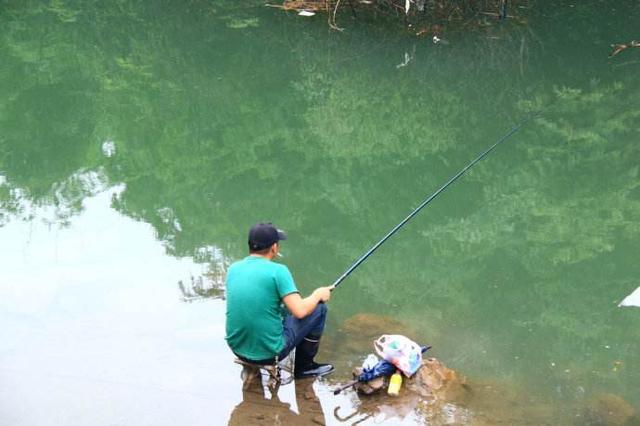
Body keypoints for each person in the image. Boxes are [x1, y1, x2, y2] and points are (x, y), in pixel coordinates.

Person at [225, 223, 334, 378]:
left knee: (280, 308)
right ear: (274, 247)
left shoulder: (233, 269)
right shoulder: (278, 271)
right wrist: (318, 294)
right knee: (319, 309)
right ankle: (304, 367)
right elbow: (300, 311)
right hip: (270, 353)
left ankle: (252, 365)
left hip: (237, 349)